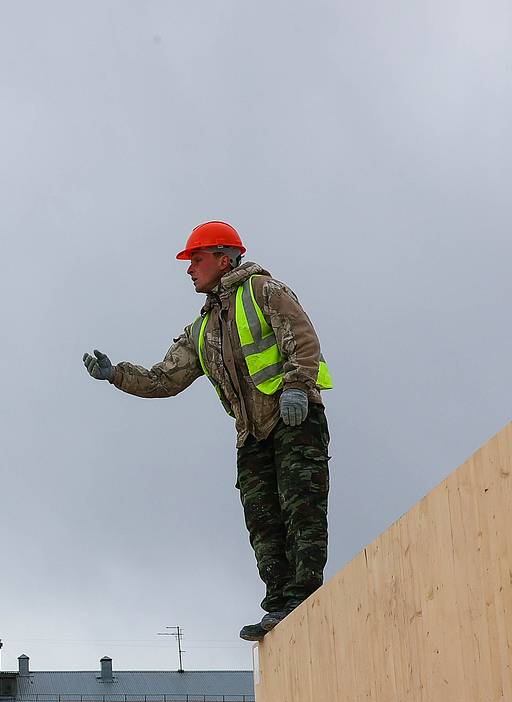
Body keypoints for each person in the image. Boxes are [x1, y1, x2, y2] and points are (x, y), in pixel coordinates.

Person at [82, 221, 332, 640]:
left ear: (223, 257)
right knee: (264, 523)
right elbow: (166, 378)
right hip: (252, 435)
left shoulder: (266, 292)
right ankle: (279, 607)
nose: (189, 269)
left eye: (195, 259)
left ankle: (304, 600)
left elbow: (302, 340)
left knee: (301, 512)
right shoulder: (202, 329)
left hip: (293, 421)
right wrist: (116, 375)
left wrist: (298, 388)